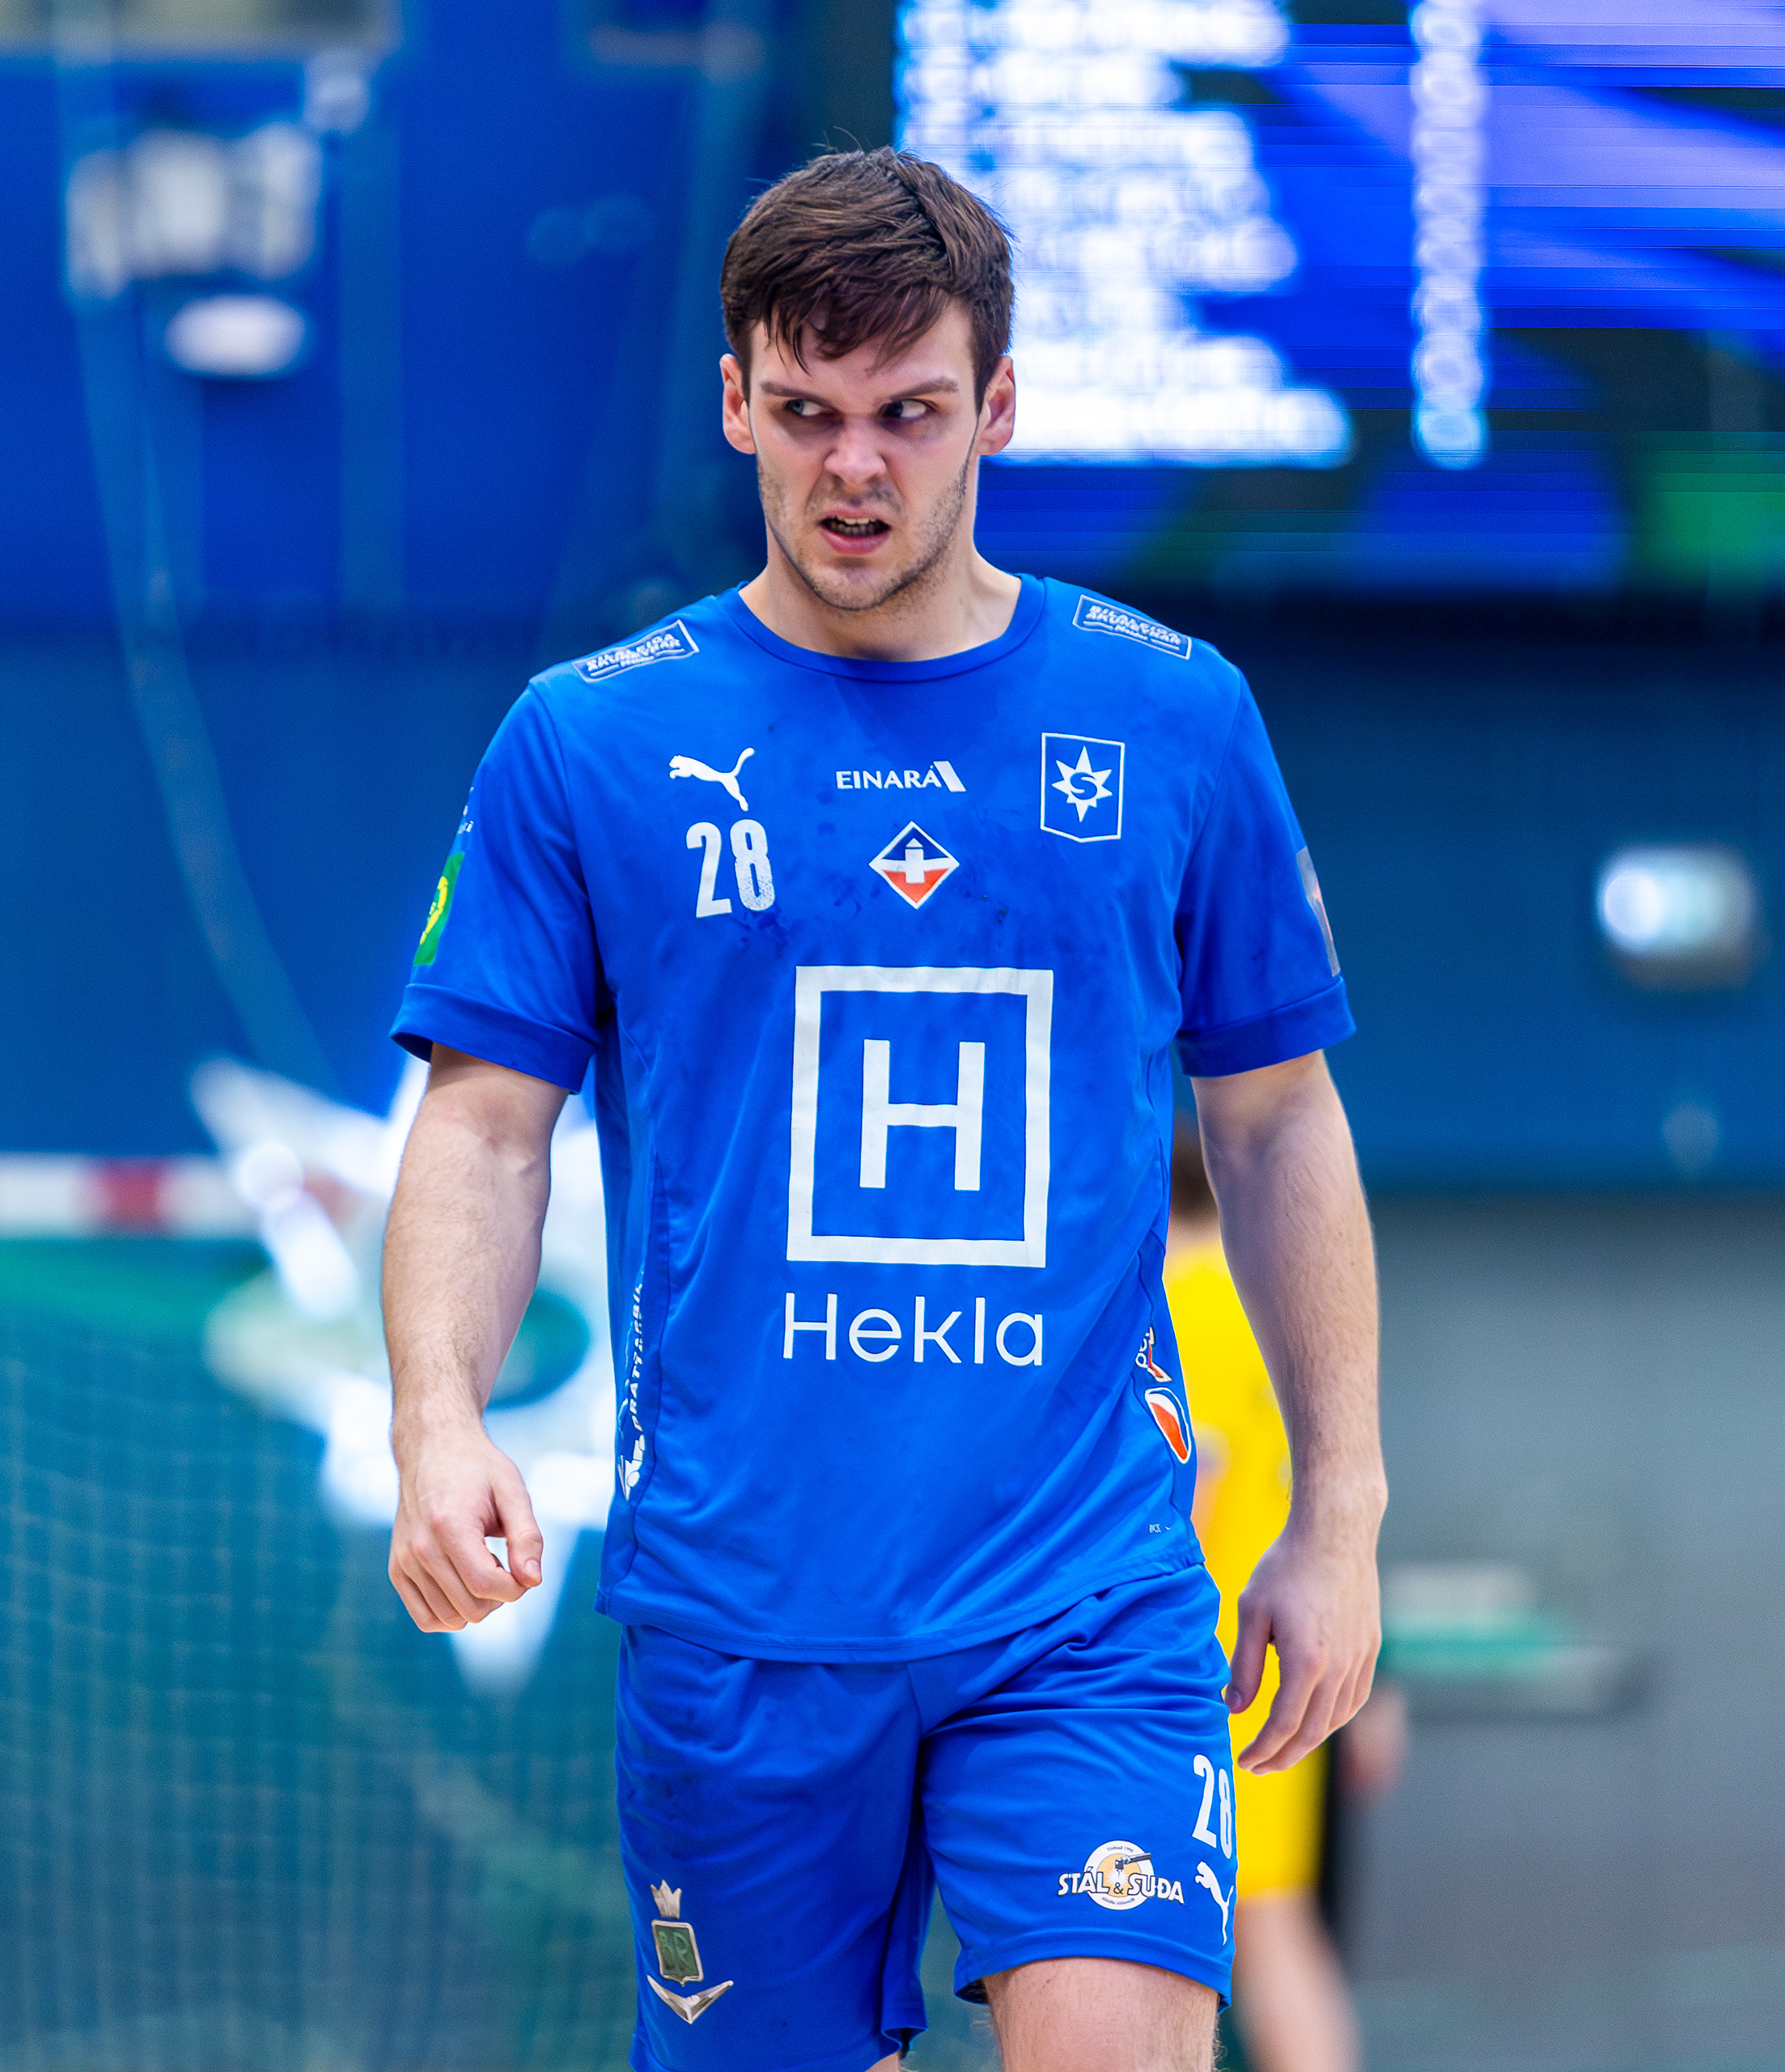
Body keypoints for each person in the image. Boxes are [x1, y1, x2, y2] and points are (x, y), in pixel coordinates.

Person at [380, 147, 1384, 2072]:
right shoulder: (591, 738)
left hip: (1082, 1600)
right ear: (735, 400)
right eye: (808, 412)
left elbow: (1275, 1123)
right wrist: (438, 1415)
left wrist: (1338, 1509)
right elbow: (487, 1126)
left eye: (910, 413)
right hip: (741, 1615)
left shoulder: (1176, 717)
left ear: (997, 405)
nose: (855, 468)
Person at [1164, 1124, 1405, 2072]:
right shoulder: (1272, 1319)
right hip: (1275, 1666)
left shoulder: (1188, 1306)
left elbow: (1187, 1496)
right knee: (1273, 1924)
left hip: (1206, 1680)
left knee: (1228, 1931)